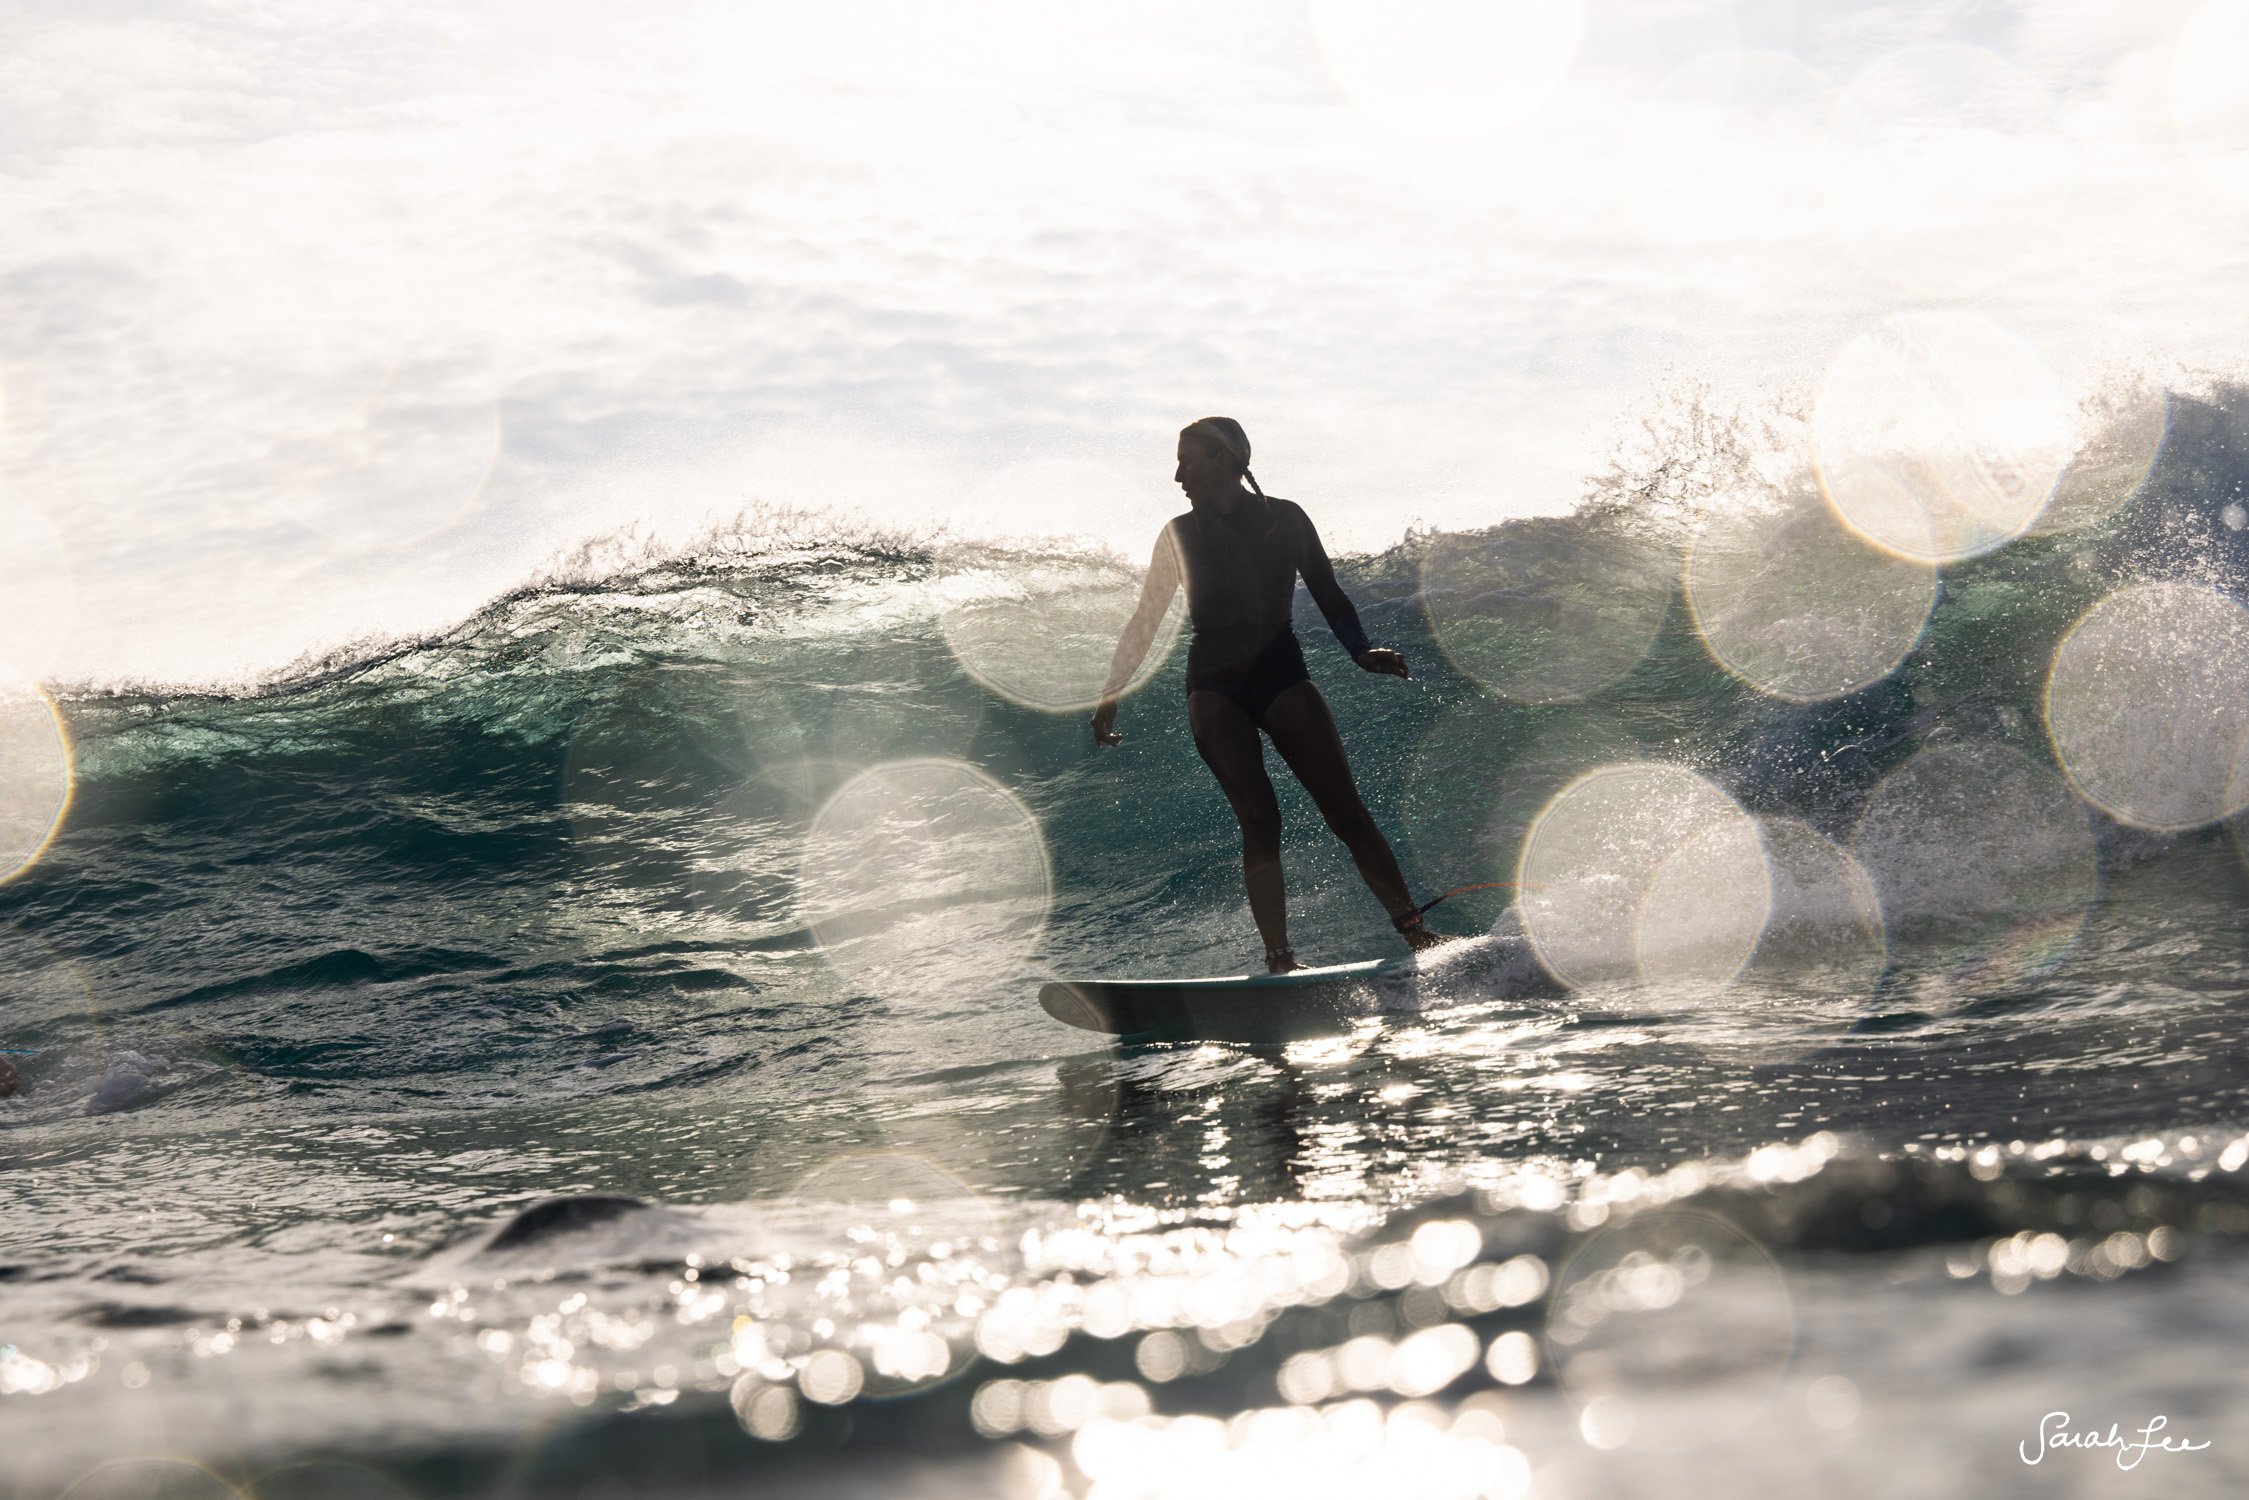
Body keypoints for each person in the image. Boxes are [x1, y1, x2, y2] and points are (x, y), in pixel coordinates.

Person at [1091, 417, 1445, 973]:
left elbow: (1330, 593)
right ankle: (1280, 960)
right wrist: (1110, 693)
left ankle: (1416, 932)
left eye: (1188, 459)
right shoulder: (1177, 535)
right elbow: (1145, 621)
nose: (1178, 473)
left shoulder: (1285, 520)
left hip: (1281, 670)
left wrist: (1359, 650)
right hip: (1213, 683)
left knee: (1346, 812)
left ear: (1226, 460)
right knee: (1259, 820)